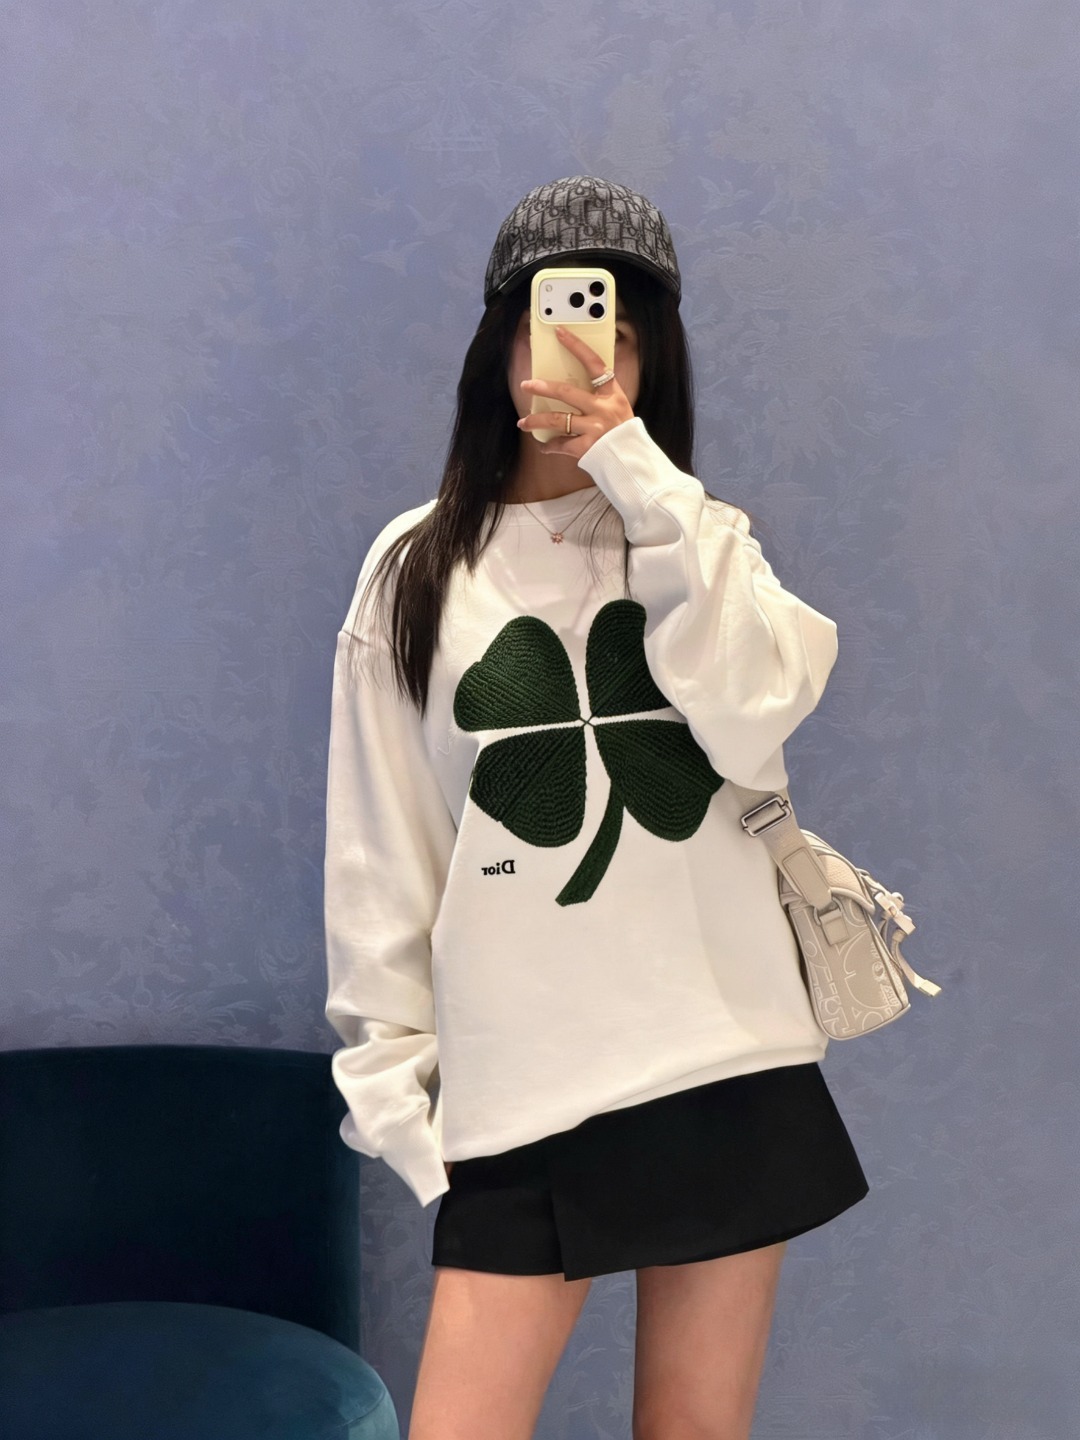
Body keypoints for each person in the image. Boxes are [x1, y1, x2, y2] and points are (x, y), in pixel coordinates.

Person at [323, 176, 869, 1440]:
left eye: (614, 332)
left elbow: (753, 709)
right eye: (553, 320)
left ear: (652, 355)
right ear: (500, 344)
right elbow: (381, 851)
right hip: (523, 1082)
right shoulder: (417, 567)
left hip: (722, 1052)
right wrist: (402, 1102)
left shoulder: (700, 542)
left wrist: (635, 472)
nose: (578, 354)